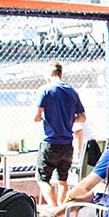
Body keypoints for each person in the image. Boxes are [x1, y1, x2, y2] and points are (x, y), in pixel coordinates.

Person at [34, 60, 86, 208]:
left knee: (43, 179)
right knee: (62, 180)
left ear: (51, 73)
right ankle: (62, 211)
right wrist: (69, 119)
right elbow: (82, 116)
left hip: (50, 142)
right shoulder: (71, 91)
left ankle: (54, 210)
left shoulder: (45, 90)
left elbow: (36, 117)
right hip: (67, 143)